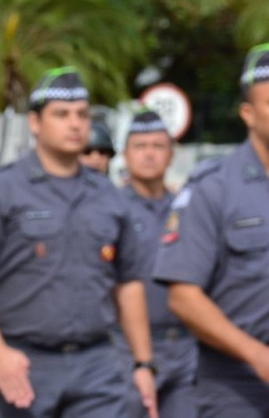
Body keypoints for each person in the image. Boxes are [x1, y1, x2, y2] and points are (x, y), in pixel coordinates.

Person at [0, 67, 157, 418]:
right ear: (35, 123)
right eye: (61, 115)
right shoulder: (1, 189)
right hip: (22, 361)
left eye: (81, 115)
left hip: (97, 365)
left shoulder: (109, 196)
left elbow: (129, 285)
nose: (75, 124)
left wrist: (143, 363)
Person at [153, 43, 269, 417]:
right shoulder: (213, 188)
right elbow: (183, 296)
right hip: (238, 384)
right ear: (248, 114)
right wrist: (257, 355)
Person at [113, 108, 197, 417]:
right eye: (140, 146)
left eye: (158, 146)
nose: (149, 155)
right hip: (124, 349)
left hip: (186, 348)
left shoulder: (188, 208)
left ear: (172, 154)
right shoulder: (109, 208)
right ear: (125, 154)